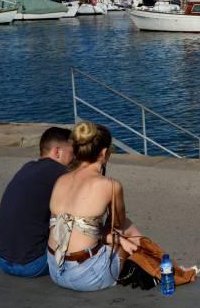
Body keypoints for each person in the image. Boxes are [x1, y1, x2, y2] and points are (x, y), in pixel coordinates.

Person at [47, 120, 142, 291]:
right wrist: (119, 240)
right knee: (128, 228)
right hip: (87, 276)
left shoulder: (61, 180)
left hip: (55, 269)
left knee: (92, 228)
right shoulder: (110, 185)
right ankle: (162, 268)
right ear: (104, 153)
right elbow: (118, 225)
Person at [0, 127, 74, 277]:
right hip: (33, 264)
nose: (75, 156)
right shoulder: (61, 175)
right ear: (57, 151)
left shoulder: (27, 167)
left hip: (1, 259)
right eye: (72, 151)